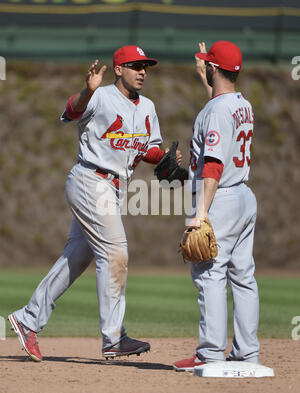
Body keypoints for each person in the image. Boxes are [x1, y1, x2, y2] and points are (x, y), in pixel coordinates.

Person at [9, 45, 181, 362]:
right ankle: (113, 338)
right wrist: (86, 92)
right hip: (91, 179)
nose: (142, 71)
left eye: (146, 66)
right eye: (135, 65)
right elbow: (72, 111)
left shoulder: (148, 107)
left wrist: (167, 159)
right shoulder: (100, 96)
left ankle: (27, 319)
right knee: (116, 252)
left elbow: (146, 150)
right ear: (118, 69)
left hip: (112, 188)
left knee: (74, 259)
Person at [173, 41, 260, 371]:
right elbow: (220, 108)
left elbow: (212, 163)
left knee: (209, 275)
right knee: (243, 276)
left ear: (213, 67)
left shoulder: (217, 110)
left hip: (219, 196)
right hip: (244, 197)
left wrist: (201, 212)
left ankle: (210, 353)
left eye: (208, 64)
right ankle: (247, 352)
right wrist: (205, 80)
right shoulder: (242, 104)